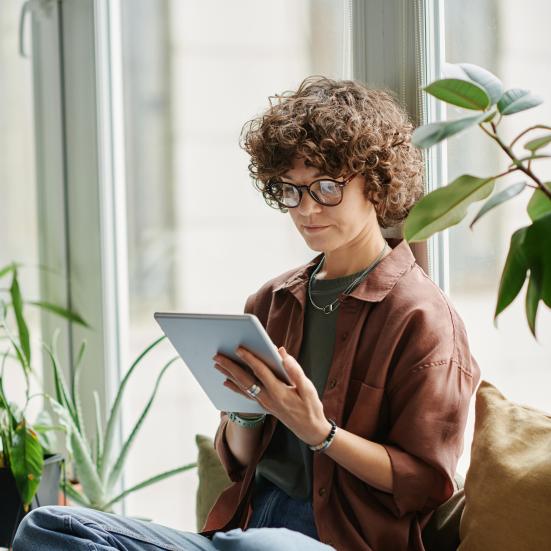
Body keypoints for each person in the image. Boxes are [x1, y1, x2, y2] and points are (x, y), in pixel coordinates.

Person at [12, 76, 480, 551]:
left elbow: (426, 483)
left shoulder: (420, 315)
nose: (306, 209)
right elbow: (240, 459)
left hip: (339, 540)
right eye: (290, 190)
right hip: (246, 528)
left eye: (324, 187)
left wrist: (320, 432)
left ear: (375, 183)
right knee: (46, 526)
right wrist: (248, 412)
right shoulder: (272, 301)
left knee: (255, 548)